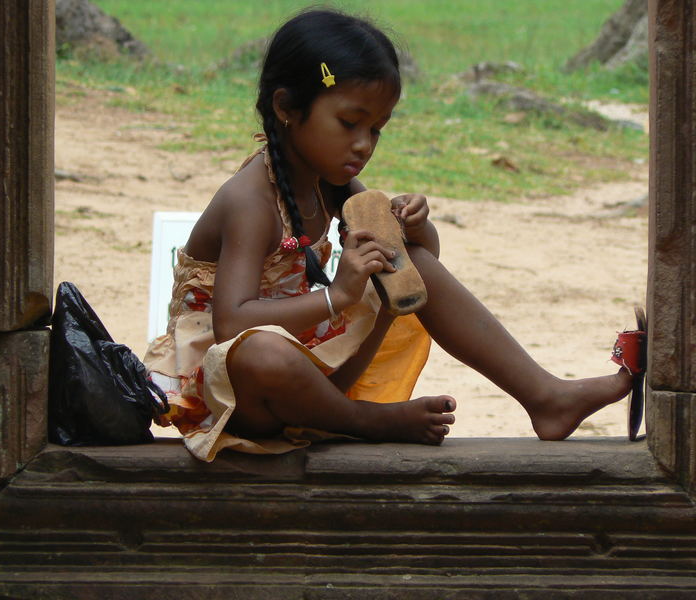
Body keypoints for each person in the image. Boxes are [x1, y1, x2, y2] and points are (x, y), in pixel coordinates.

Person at [144, 8, 634, 462]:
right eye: (349, 123)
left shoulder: (333, 185)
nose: (363, 144)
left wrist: (417, 229)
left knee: (410, 259)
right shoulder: (249, 200)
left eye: (377, 129)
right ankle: (366, 421)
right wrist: (338, 295)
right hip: (235, 392)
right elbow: (232, 326)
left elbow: (417, 273)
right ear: (286, 107)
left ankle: (543, 396)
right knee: (259, 351)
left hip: (316, 378)